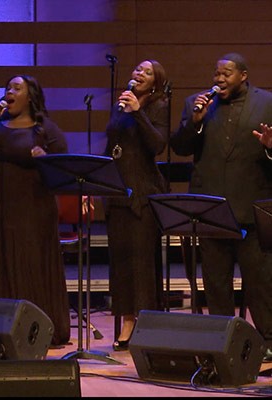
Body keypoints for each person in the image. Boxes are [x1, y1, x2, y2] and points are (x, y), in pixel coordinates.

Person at [170, 52, 272, 362]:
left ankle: (267, 340)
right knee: (216, 283)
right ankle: (223, 340)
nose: (219, 79)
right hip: (212, 210)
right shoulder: (197, 105)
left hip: (251, 208)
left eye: (226, 73)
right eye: (216, 74)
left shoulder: (267, 103)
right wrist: (195, 123)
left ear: (243, 75)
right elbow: (180, 147)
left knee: (261, 284)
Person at [0, 75, 71, 347]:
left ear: (30, 96)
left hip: (31, 211)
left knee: (26, 263)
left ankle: (33, 329)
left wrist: (45, 160)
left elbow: (63, 169)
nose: (9, 91)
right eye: (7, 88)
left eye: (16, 88)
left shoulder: (45, 130)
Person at [103, 60, 169, 351]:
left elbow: (157, 146)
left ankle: (145, 324)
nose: (138, 74)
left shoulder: (158, 106)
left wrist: (138, 112)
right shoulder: (119, 107)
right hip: (117, 192)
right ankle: (127, 319)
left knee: (142, 262)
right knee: (121, 263)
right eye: (137, 70)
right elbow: (112, 149)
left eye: (146, 72)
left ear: (155, 82)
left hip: (143, 193)